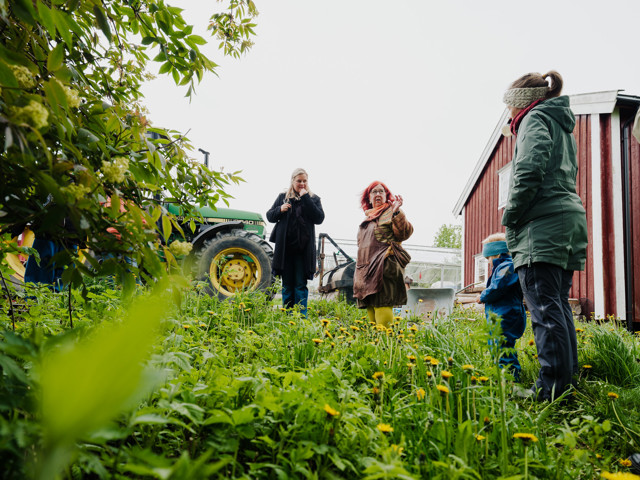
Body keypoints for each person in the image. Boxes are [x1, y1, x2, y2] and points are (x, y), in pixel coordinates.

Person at [501, 71, 588, 401]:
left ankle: (551, 390)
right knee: (557, 306)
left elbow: (529, 169)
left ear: (520, 103)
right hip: (566, 220)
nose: (508, 114)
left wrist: (511, 216)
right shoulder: (558, 123)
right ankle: (566, 381)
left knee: (544, 309)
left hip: (543, 223)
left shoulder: (533, 118)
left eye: (509, 106)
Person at [353, 181, 413, 327]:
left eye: (381, 191)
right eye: (374, 192)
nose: (378, 194)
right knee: (371, 305)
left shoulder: (391, 212)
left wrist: (397, 212)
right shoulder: (367, 219)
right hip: (366, 270)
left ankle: (386, 343)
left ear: (386, 196)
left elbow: (404, 233)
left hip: (385, 266)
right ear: (369, 198)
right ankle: (375, 343)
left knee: (383, 303)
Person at [266, 168, 324, 317]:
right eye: (299, 181)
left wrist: (306, 198)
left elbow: (319, 218)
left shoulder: (313, 198)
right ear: (293, 181)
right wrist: (280, 209)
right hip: (286, 250)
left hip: (303, 251)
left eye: (305, 181)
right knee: (287, 285)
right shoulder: (283, 198)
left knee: (300, 284)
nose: (302, 183)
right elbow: (270, 216)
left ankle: (301, 316)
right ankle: (287, 315)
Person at [476, 233, 526, 381]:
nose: (488, 262)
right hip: (500, 314)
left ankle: (510, 380)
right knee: (496, 345)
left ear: (497, 254)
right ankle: (500, 376)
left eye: (488, 258)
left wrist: (483, 296)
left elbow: (498, 286)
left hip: (507, 314)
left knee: (503, 347)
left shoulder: (507, 266)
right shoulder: (501, 267)